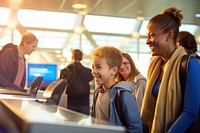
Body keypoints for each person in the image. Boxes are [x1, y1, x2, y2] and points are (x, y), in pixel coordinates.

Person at [140, 7, 200, 133]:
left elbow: (190, 112)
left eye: (151, 35)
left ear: (169, 35)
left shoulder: (189, 64)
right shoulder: (154, 65)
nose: (147, 41)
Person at [91, 46, 142, 133]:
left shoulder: (123, 94)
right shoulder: (97, 93)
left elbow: (135, 126)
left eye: (98, 67)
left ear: (114, 70)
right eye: (93, 67)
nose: (94, 71)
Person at [60, 49, 93, 115]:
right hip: (84, 103)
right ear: (81, 58)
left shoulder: (65, 71)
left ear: (72, 57)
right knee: (84, 124)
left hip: (70, 102)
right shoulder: (88, 72)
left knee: (70, 124)